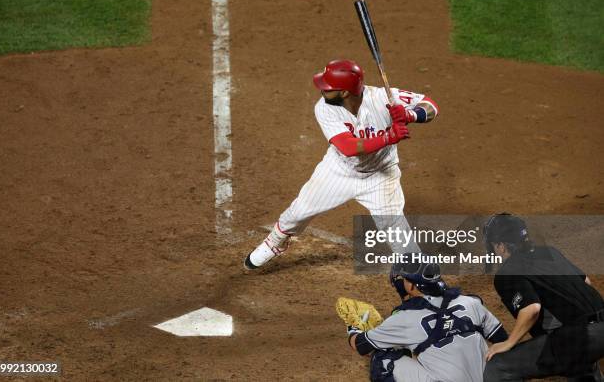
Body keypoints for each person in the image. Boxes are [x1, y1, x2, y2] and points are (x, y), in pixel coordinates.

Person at [244, 59, 439, 269]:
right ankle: (275, 242)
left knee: (395, 230)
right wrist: (388, 137)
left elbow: (431, 106)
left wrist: (411, 114)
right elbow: (348, 147)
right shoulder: (324, 109)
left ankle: (423, 280)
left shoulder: (382, 97)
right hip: (339, 172)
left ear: (345, 93)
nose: (322, 90)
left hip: (381, 176)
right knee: (299, 212)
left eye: (328, 88)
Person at [482, 213, 604, 381]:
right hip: (597, 327)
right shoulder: (550, 252)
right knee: (578, 363)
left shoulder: (507, 271)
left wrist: (509, 342)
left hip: (580, 337)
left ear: (501, 246)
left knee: (497, 366)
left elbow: (532, 309)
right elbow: (586, 282)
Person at [348, 255, 508, 382]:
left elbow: (361, 345)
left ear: (411, 286)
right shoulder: (471, 302)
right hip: (490, 378)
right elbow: (503, 340)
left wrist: (353, 328)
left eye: (403, 279)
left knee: (382, 360)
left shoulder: (404, 319)